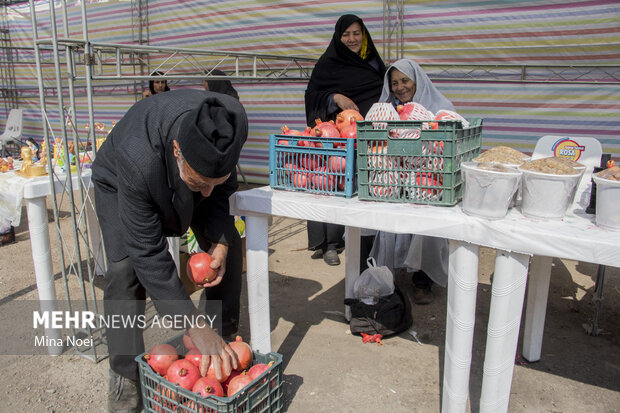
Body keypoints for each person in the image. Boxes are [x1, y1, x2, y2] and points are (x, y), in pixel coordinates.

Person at [92, 89, 247, 413]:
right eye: (198, 183)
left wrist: (218, 240)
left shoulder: (232, 122)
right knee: (124, 273)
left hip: (186, 172)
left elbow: (219, 191)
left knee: (229, 244)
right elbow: (147, 252)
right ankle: (125, 378)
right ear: (178, 151)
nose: (206, 191)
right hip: (119, 182)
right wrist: (191, 323)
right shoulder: (138, 157)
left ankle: (221, 345)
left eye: (213, 181)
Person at [368, 58, 456, 304]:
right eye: (394, 83)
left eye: (405, 80)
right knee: (382, 218)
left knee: (428, 224)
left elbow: (448, 145)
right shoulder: (385, 110)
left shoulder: (438, 109)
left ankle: (422, 280)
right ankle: (386, 277)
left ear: (417, 80)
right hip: (393, 179)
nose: (400, 87)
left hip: (429, 181)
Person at [304, 14, 386, 266]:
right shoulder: (329, 62)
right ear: (338, 37)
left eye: (356, 33)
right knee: (333, 185)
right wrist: (335, 97)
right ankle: (330, 243)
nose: (351, 39)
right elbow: (312, 95)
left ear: (364, 35)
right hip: (337, 137)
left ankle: (367, 244)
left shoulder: (373, 62)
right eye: (346, 34)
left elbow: (385, 92)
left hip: (370, 137)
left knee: (365, 190)